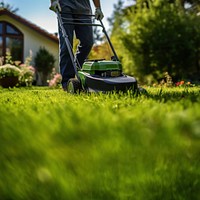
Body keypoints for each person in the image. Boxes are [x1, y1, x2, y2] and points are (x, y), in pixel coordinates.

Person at [49, 0, 104, 90]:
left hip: (84, 8)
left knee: (88, 42)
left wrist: (98, 8)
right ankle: (67, 81)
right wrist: (53, 1)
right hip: (65, 6)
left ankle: (78, 70)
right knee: (66, 44)